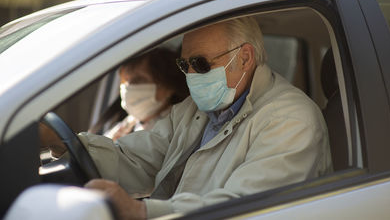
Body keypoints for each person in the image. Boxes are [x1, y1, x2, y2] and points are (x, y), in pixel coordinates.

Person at [44, 16, 332, 220]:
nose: (191, 75)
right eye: (185, 64)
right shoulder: (194, 110)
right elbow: (137, 160)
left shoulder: (290, 120)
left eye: (201, 63)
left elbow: (246, 207)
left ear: (244, 58)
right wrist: (60, 142)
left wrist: (142, 212)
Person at [89, 47, 189, 140]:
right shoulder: (130, 123)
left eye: (138, 80)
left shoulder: (172, 132)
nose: (128, 86)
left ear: (168, 87)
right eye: (125, 80)